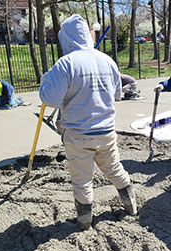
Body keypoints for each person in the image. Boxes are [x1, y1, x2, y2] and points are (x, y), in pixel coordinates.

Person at [39, 14, 137, 230]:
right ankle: (131, 207)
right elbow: (117, 95)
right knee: (114, 169)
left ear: (66, 38)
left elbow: (51, 100)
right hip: (106, 131)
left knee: (82, 180)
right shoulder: (107, 60)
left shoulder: (65, 63)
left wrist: (46, 82)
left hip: (78, 134)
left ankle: (84, 223)